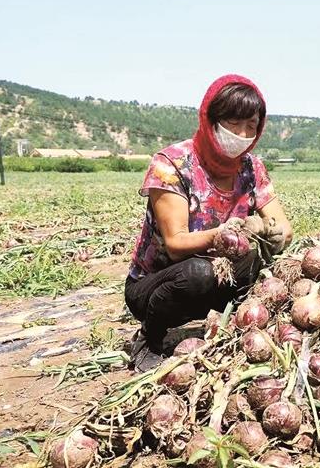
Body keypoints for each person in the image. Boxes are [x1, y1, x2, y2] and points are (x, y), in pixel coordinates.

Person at [125, 74, 293, 371]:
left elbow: (282, 227)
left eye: (251, 126)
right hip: (158, 285)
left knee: (257, 259)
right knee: (199, 272)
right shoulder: (173, 164)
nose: (242, 134)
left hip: (218, 279)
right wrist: (224, 233)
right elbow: (176, 244)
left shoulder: (252, 168)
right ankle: (148, 339)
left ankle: (240, 326)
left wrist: (269, 231)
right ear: (211, 118)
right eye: (233, 123)